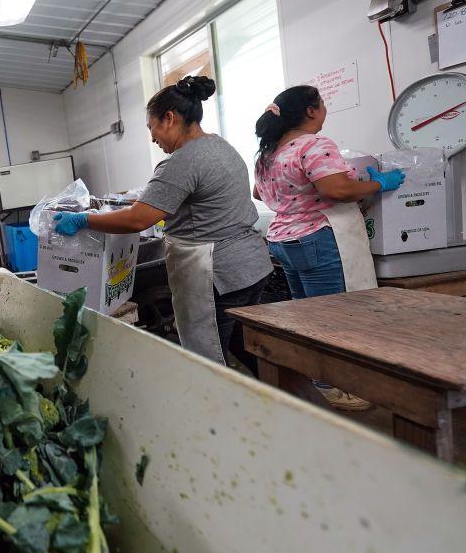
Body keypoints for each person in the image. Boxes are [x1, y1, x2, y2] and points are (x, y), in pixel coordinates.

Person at [54, 76, 272, 370]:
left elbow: (138, 220)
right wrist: (136, 202)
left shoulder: (182, 160)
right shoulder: (221, 147)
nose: (153, 138)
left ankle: (215, 411)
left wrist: (83, 219)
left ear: (169, 118)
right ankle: (282, 405)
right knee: (249, 350)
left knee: (209, 361)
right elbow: (198, 203)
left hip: (217, 275)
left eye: (152, 127)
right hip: (252, 267)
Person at [252, 85, 404, 410]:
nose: (325, 110)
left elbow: (257, 192)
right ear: (310, 110)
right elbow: (337, 189)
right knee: (335, 317)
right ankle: (335, 387)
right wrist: (379, 184)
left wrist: (297, 197)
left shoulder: (269, 153)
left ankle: (315, 377)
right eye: (322, 104)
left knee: (307, 313)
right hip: (317, 237)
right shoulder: (315, 144)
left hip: (283, 239)